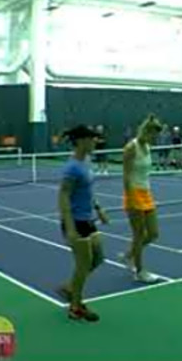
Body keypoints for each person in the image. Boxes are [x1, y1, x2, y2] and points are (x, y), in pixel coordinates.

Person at [56, 125, 109, 322]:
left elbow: (87, 192)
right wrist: (69, 228)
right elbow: (63, 196)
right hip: (75, 222)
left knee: (98, 258)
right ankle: (75, 307)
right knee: (83, 265)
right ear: (80, 141)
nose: (96, 141)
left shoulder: (86, 161)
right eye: (92, 138)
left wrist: (98, 208)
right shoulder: (72, 167)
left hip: (88, 219)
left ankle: (70, 288)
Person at [120, 114, 164, 283]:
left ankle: (128, 255)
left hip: (146, 193)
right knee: (138, 235)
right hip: (133, 192)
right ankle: (139, 271)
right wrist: (130, 198)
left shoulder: (148, 147)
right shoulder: (131, 147)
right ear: (147, 131)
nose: (156, 138)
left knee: (153, 234)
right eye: (154, 135)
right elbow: (125, 175)